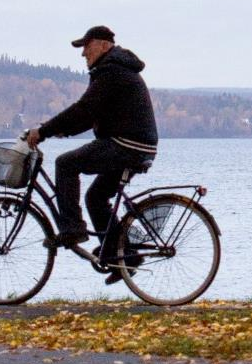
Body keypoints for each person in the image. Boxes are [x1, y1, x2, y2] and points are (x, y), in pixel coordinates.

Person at [27, 26, 158, 280]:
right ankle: (124, 256)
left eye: (87, 46)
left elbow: (84, 109)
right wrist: (60, 130)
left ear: (103, 45)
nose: (83, 53)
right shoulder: (112, 70)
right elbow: (91, 115)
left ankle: (73, 229)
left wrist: (43, 131)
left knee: (65, 164)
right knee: (96, 197)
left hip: (127, 144)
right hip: (134, 144)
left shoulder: (111, 71)